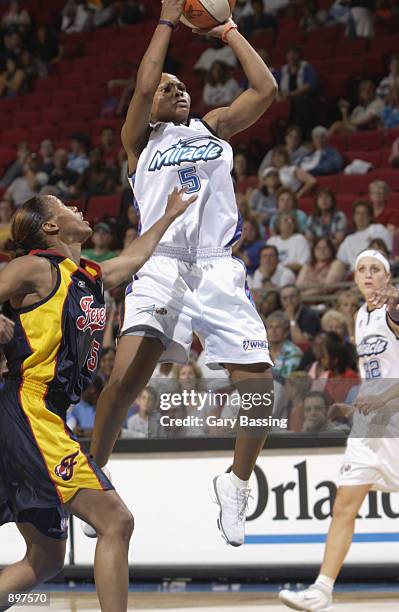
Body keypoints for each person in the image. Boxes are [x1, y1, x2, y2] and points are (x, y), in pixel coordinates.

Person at [89, 0, 278, 548]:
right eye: (167, 86)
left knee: (260, 389)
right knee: (125, 381)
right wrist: (168, 21)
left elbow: (264, 91)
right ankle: (91, 477)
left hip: (217, 267)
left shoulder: (213, 127)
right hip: (159, 263)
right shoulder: (138, 144)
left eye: (182, 85)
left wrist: (228, 31)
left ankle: (236, 482)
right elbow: (145, 81)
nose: (177, 89)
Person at [0, 186, 195, 611]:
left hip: (38, 414)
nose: (76, 207)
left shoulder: (89, 274)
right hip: (30, 408)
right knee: (116, 521)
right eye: (64, 207)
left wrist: (168, 214)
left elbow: (135, 257)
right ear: (50, 227)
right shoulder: (32, 267)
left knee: (46, 559)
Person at [279, 248, 399, 611]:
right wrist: (362, 400)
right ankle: (322, 589)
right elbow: (378, 373)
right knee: (344, 505)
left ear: (387, 277)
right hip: (370, 426)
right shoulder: (361, 316)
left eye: (375, 269)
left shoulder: (394, 312)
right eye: (361, 268)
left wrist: (385, 400)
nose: (366, 274)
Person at [336, 200, 392, 273]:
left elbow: (387, 252)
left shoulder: (378, 229)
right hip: (356, 275)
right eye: (358, 213)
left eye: (364, 213)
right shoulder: (349, 239)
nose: (361, 216)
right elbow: (340, 261)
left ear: (370, 216)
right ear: (353, 217)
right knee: (337, 265)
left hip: (377, 269)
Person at [274, 45, 319, 136]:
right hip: (287, 98)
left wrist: (291, 94)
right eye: (289, 53)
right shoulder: (283, 70)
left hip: (305, 97)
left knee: (300, 101)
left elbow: (311, 84)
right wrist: (278, 96)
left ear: (299, 55)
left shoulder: (306, 67)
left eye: (294, 53)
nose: (292, 56)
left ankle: (302, 133)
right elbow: (274, 84)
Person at [266, 311, 303, 379]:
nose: (273, 331)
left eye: (278, 327)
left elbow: (284, 378)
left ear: (286, 332)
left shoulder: (294, 352)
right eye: (270, 327)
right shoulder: (260, 350)